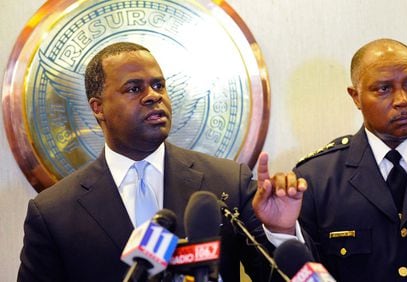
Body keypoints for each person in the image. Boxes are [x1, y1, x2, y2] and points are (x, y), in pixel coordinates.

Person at [17, 42, 302, 282]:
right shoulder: (53, 212)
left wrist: (281, 232)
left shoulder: (227, 182)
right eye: (133, 88)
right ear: (98, 107)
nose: (153, 96)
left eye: (158, 85)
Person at [254, 38, 407, 281]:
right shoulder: (315, 180)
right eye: (384, 89)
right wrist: (282, 231)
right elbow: (302, 275)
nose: (403, 99)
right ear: (355, 97)